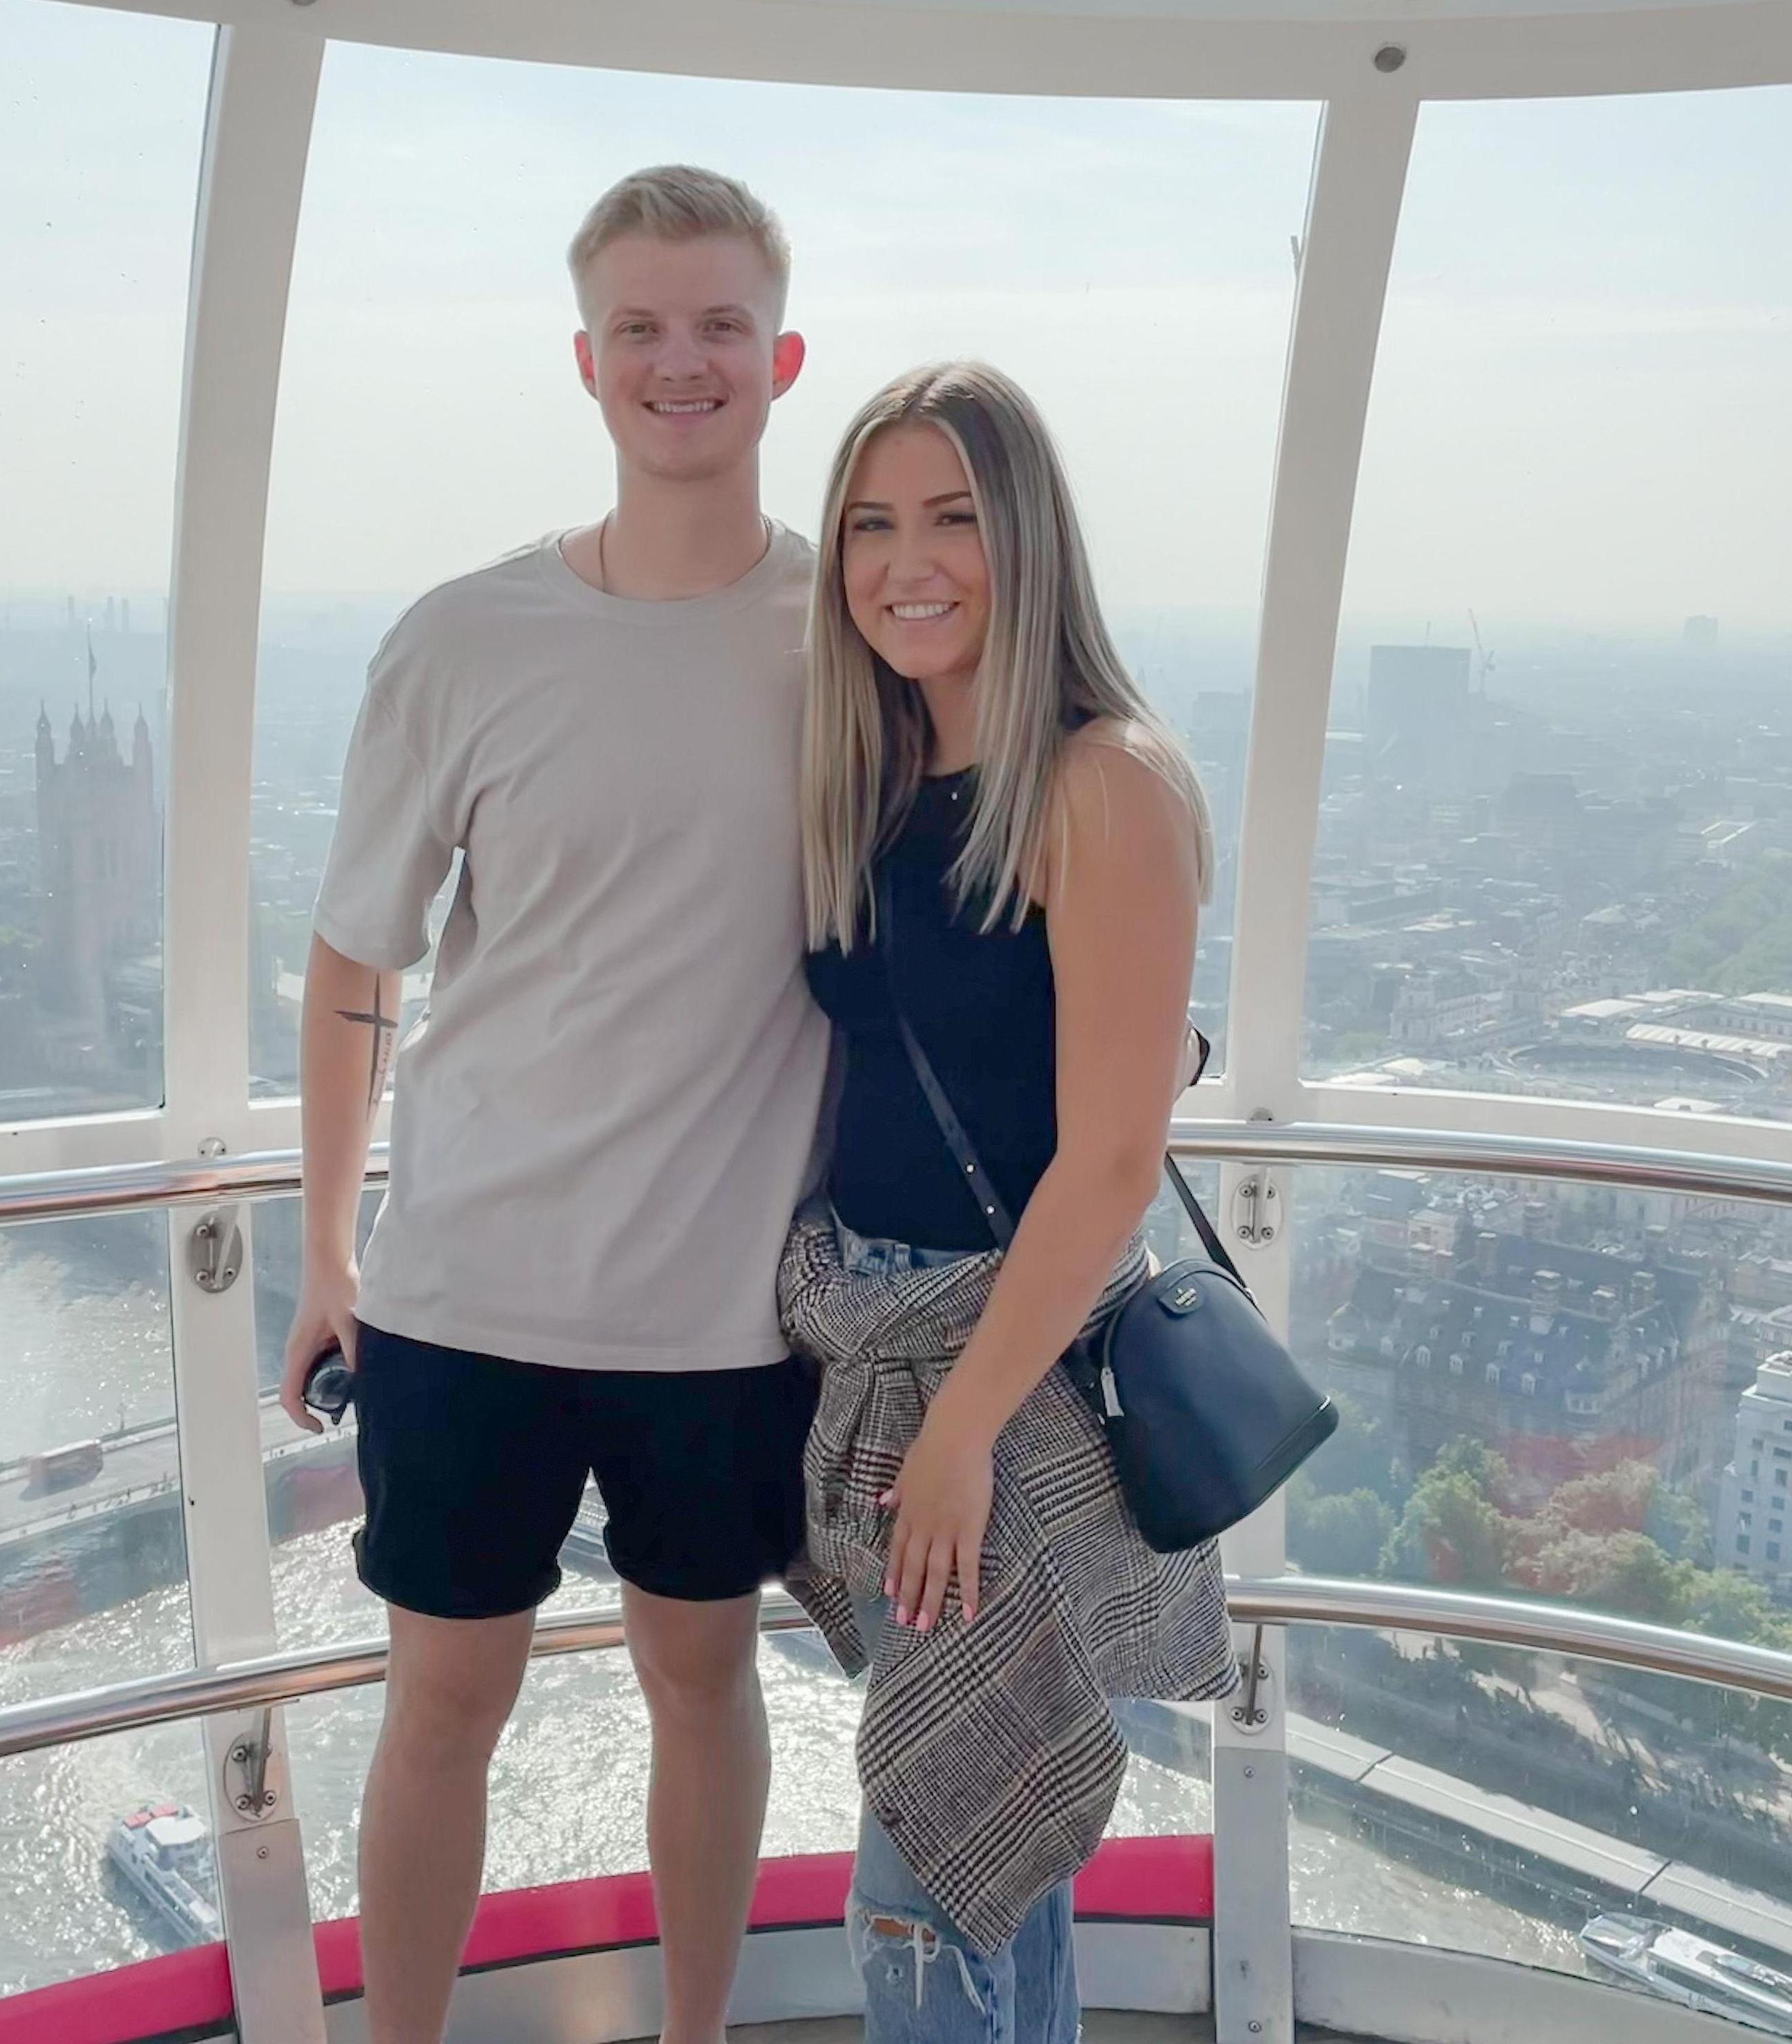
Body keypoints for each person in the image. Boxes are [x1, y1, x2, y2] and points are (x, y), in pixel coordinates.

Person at [280, 166, 830, 2044]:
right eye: (644, 328)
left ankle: (696, 2035)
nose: (682, 362)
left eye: (720, 326)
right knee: (440, 1705)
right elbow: (355, 958)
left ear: (783, 357)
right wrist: (326, 1249)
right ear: (585, 360)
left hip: (721, 1304)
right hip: (460, 1292)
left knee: (705, 1674)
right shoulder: (460, 639)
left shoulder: (860, 644)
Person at [783, 361, 1239, 2042]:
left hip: (1003, 1384)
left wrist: (963, 1431)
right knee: (998, 1869)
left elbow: (1113, 1158)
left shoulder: (1101, 782)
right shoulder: (881, 771)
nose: (911, 561)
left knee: (919, 1886)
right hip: (888, 1350)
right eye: (873, 524)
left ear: (1029, 536)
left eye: (957, 518)